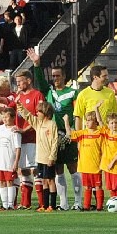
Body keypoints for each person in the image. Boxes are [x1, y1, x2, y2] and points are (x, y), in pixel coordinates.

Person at [28, 48, 82, 210]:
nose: (55, 79)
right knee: (58, 169)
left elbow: (77, 114)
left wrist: (73, 132)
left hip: (68, 135)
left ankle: (78, 202)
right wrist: (37, 65)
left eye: (58, 76)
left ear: (64, 77)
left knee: (73, 167)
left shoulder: (73, 93)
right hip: (53, 136)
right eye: (53, 76)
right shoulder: (49, 92)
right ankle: (63, 203)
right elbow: (40, 82)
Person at [16, 99, 60, 211]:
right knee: (43, 181)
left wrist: (52, 157)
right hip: (40, 158)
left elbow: (55, 141)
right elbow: (28, 116)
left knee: (50, 181)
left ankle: (52, 205)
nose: (37, 113)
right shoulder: (38, 123)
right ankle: (44, 205)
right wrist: (20, 106)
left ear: (45, 113)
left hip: (48, 158)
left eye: (39, 112)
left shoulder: (52, 124)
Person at [69, 106, 106, 211]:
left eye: (89, 120)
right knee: (87, 187)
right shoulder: (83, 133)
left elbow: (102, 124)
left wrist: (97, 110)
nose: (87, 122)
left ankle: (99, 206)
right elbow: (70, 135)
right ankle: (86, 206)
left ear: (95, 122)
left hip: (96, 166)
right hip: (84, 167)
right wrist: (66, 122)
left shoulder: (99, 133)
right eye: (86, 120)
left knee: (98, 187)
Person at [100, 113, 117, 204]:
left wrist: (112, 163)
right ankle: (114, 203)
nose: (114, 125)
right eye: (112, 123)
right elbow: (100, 121)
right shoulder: (107, 133)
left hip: (115, 165)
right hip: (107, 165)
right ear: (108, 125)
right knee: (111, 187)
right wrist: (96, 109)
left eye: (116, 122)